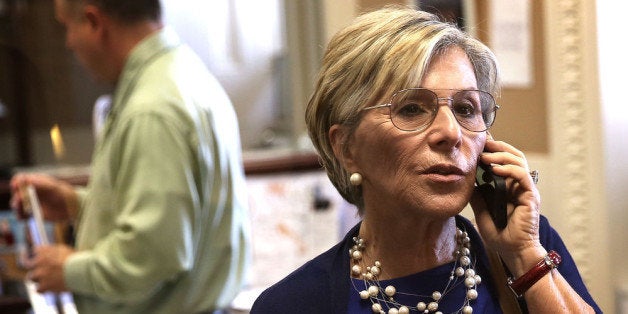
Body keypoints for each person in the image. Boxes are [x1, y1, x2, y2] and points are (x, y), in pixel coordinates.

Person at [251, 6, 601, 313]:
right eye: (412, 108)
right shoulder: (293, 303)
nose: (451, 133)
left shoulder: (530, 248)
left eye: (466, 108)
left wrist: (524, 255)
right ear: (346, 146)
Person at [10, 0, 250, 313]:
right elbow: (178, 217)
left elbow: (155, 252)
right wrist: (77, 204)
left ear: (94, 22)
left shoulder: (152, 109)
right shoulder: (182, 74)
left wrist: (69, 270)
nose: (68, 43)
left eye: (67, 27)